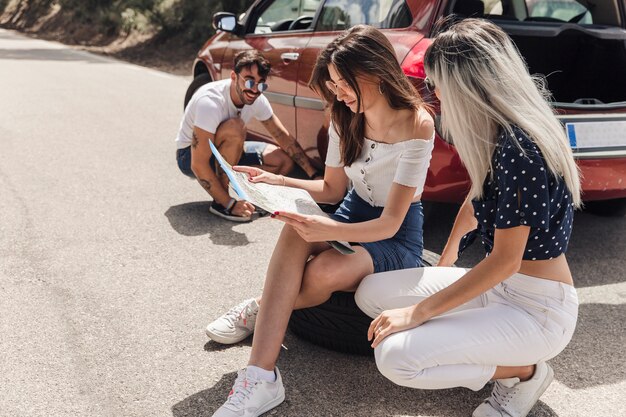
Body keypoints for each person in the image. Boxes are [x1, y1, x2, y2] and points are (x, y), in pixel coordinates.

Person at [354, 18, 581, 417]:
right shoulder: (496, 134)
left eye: (437, 83)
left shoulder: (520, 148)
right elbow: (476, 201)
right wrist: (447, 259)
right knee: (370, 293)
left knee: (395, 358)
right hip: (501, 289)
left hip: (538, 310)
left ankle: (522, 372)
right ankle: (464, 342)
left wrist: (421, 311)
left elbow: (506, 260)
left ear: (467, 83)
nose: (435, 94)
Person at [209, 25, 435, 417]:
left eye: (343, 84)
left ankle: (260, 308)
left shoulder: (417, 123)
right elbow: (332, 190)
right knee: (294, 228)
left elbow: (392, 223)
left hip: (396, 237)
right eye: (333, 85)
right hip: (351, 213)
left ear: (374, 71)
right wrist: (275, 180)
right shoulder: (345, 115)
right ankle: (261, 378)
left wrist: (329, 229)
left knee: (324, 274)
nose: (339, 94)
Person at [175, 50, 320, 222]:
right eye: (249, 80)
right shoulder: (210, 102)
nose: (254, 89)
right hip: (190, 156)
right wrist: (229, 203)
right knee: (236, 127)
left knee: (282, 161)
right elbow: (198, 164)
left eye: (261, 84)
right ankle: (221, 203)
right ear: (234, 77)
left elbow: (282, 136)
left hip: (227, 149)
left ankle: (250, 197)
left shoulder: (257, 99)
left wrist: (313, 174)